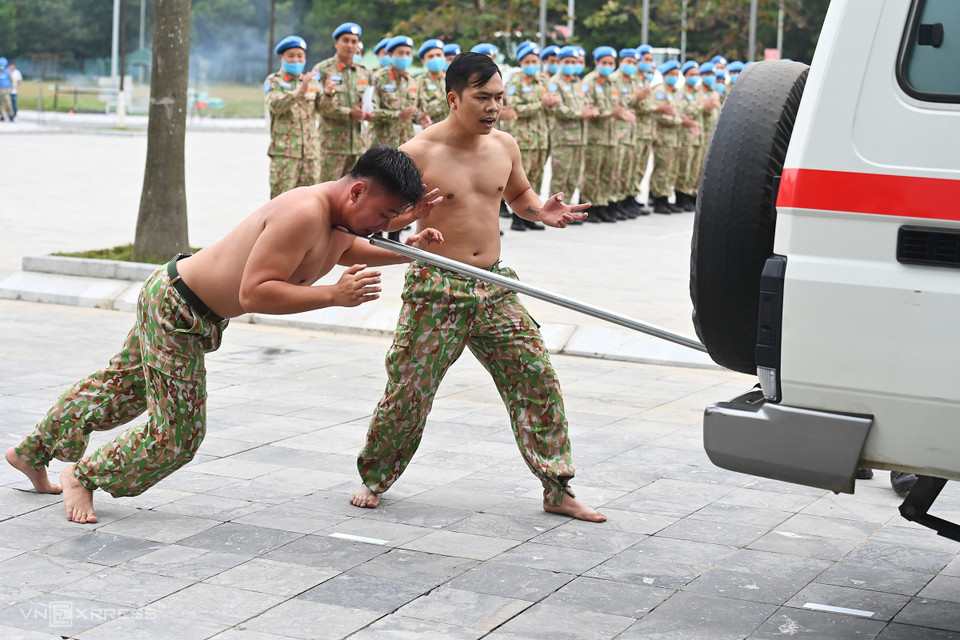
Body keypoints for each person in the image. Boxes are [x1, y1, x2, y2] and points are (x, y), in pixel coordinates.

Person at [5, 144, 444, 525]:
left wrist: (408, 250)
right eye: (386, 215)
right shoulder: (304, 213)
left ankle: (30, 451)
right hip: (177, 310)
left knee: (119, 388)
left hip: (183, 302)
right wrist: (333, 295)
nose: (385, 227)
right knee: (177, 435)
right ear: (357, 191)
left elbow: (346, 248)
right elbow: (254, 293)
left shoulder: (336, 218)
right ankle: (83, 476)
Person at [350, 52, 605, 523]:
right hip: (436, 288)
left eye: (500, 98)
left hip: (493, 285)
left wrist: (540, 211)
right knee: (410, 389)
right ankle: (375, 476)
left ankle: (557, 487)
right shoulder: (416, 153)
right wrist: (410, 227)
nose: (494, 108)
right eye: (483, 97)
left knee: (537, 378)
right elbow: (379, 218)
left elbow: (518, 197)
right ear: (453, 97)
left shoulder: (504, 145)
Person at [500, 41, 553, 231]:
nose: (532, 64)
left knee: (537, 176)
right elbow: (515, 108)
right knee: (523, 179)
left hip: (541, 137)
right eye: (528, 61)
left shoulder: (544, 81)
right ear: (522, 62)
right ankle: (517, 217)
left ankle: (531, 215)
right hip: (524, 138)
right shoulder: (515, 82)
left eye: (535, 60)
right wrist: (541, 104)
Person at [314, 23, 374, 183]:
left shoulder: (365, 72)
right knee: (327, 190)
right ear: (336, 43)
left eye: (354, 41)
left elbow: (372, 101)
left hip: (359, 146)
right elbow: (319, 106)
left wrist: (369, 113)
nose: (349, 45)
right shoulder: (323, 70)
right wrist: (349, 113)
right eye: (345, 40)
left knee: (355, 193)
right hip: (332, 147)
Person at [264, 36, 322, 198]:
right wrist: (299, 92)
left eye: (300, 56)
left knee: (310, 202)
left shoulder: (312, 82)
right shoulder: (274, 81)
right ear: (281, 58)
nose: (296, 60)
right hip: (286, 155)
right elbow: (276, 106)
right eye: (291, 56)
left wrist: (330, 93)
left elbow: (324, 109)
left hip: (310, 154)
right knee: (281, 200)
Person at [545, 46, 596, 215]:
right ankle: (554, 210)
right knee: (561, 175)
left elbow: (585, 101)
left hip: (580, 136)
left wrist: (589, 110)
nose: (571, 65)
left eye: (574, 62)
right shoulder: (554, 82)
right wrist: (579, 114)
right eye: (567, 62)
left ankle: (567, 210)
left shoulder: (576, 82)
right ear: (560, 62)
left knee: (574, 175)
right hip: (563, 136)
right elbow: (558, 109)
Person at [649, 60, 684, 214]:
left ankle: (666, 197)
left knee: (671, 169)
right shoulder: (660, 91)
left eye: (676, 74)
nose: (674, 77)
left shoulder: (675, 92)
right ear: (664, 75)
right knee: (662, 169)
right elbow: (658, 114)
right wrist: (678, 121)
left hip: (675, 137)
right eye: (671, 74)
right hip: (663, 136)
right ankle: (659, 199)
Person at [415, 39, 448, 129]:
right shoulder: (419, 82)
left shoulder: (454, 80)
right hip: (432, 131)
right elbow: (420, 110)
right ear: (423, 61)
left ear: (444, 57)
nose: (435, 59)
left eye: (438, 55)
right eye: (431, 56)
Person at [0, 57, 13, 122]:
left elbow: (11, 81)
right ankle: (2, 116)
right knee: (0, 104)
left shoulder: (8, 72)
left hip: (6, 90)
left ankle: (11, 115)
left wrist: (11, 89)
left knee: (8, 103)